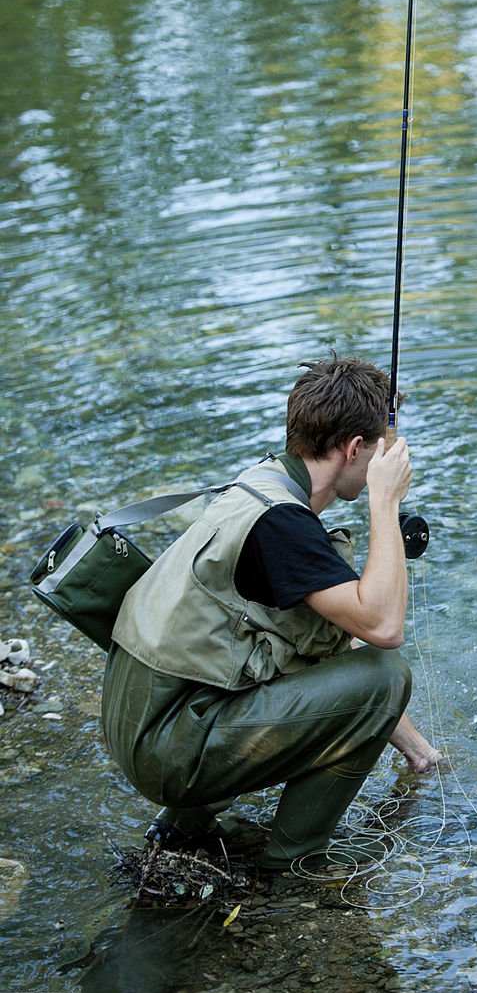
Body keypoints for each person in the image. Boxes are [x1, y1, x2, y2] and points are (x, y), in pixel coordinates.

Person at [102, 354, 442, 874]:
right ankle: (295, 862)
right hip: (168, 747)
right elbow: (383, 628)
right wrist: (385, 504)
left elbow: (333, 639)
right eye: (377, 450)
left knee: (329, 663)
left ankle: (183, 826)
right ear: (356, 450)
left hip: (145, 723)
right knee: (386, 673)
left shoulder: (261, 487)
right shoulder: (284, 525)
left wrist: (419, 753)